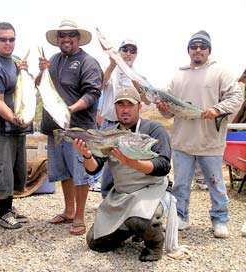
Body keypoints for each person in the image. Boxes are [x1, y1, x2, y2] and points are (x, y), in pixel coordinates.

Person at [156, 30, 243, 238]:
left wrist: (217, 110)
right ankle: (180, 217)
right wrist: (162, 107)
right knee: (181, 185)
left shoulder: (221, 72)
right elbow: (167, 111)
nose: (198, 50)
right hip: (182, 142)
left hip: (210, 142)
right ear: (188, 50)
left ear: (208, 50)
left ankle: (220, 220)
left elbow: (236, 97)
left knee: (216, 184)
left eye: (202, 46)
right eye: (194, 46)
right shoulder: (178, 75)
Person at [74, 87, 172, 261]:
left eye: (130, 105)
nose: (125, 109)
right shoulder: (108, 134)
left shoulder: (154, 129)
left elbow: (163, 166)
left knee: (139, 219)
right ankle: (130, 227)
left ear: (139, 107)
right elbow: (93, 168)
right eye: (120, 105)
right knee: (95, 242)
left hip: (152, 190)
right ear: (115, 108)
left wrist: (132, 162)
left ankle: (155, 243)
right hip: (121, 194)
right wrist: (86, 154)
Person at [35, 18, 103, 235]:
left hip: (78, 129)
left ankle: (80, 217)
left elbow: (93, 93)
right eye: (62, 36)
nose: (66, 39)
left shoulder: (88, 62)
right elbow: (39, 86)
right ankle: (69, 210)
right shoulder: (53, 60)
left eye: (71, 35)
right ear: (57, 40)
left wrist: (70, 109)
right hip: (55, 128)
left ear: (78, 38)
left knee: (80, 172)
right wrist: (41, 71)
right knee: (64, 171)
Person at [0, 22, 31, 231]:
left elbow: (28, 90)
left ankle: (9, 209)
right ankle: (2, 214)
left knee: (15, 171)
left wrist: (28, 72)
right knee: (2, 171)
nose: (8, 43)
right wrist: (16, 119)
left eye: (11, 39)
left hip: (17, 129)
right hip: (2, 130)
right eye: (3, 39)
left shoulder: (16, 61)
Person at [99, 38, 149, 200]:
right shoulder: (110, 71)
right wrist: (112, 64)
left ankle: (128, 197)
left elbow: (147, 101)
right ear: (119, 52)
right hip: (109, 124)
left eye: (132, 51)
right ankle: (106, 198)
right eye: (125, 49)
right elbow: (101, 84)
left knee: (127, 162)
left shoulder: (138, 76)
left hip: (130, 126)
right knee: (107, 163)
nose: (128, 53)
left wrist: (139, 89)